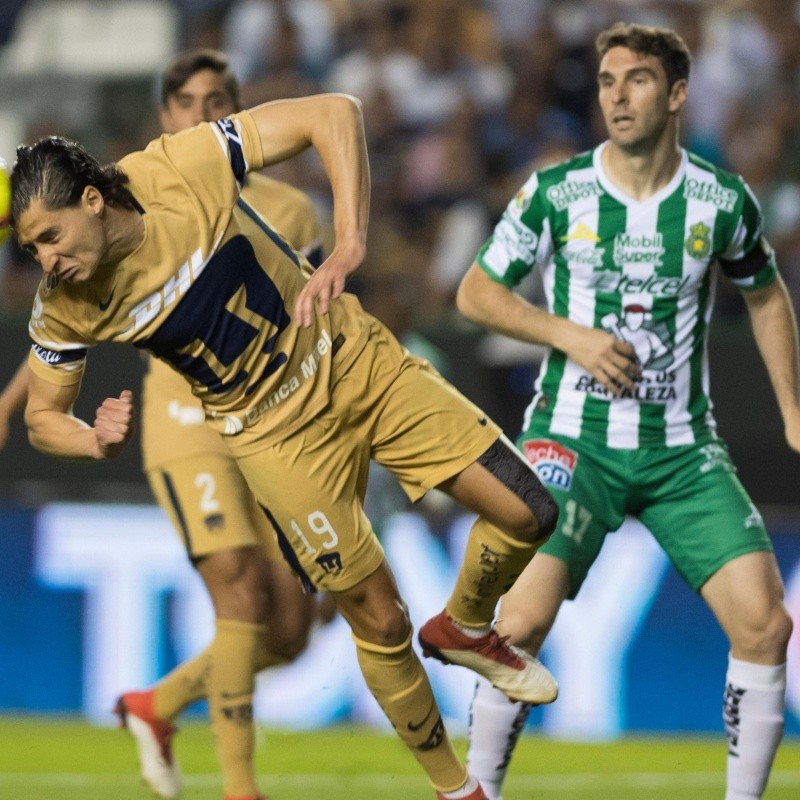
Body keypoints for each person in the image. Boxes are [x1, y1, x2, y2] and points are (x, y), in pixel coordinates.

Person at [10, 88, 560, 800]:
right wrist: (91, 441)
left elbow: (335, 112)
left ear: (90, 199)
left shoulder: (182, 165)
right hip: (273, 439)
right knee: (376, 614)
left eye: (49, 238)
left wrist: (353, 239)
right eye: (30, 250)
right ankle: (457, 790)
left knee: (528, 514)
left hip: (353, 360)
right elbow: (42, 418)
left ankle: (463, 625)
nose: (45, 262)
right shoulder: (65, 307)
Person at [457, 22, 798, 800]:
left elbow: (767, 293)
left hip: (683, 451)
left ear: (676, 93)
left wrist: (792, 408)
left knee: (765, 626)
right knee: (517, 629)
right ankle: (477, 791)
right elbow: (475, 293)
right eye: (607, 80)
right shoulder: (558, 193)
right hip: (573, 441)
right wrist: (566, 334)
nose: (616, 95)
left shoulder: (718, 202)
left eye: (636, 80)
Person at [0, 49, 328, 800]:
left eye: (219, 100)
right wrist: (19, 405)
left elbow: (313, 317)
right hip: (187, 423)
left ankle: (160, 705)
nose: (202, 114)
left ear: (236, 108)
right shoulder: (120, 202)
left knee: (289, 633)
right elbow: (62, 331)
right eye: (187, 102)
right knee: (239, 596)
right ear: (167, 115)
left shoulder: (293, 211)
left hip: (272, 425)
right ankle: (241, 788)